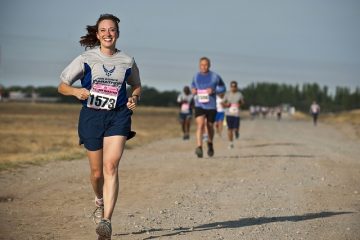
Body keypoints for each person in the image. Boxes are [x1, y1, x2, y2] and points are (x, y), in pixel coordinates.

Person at [58, 14, 141, 240]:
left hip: (118, 116)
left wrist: (135, 97)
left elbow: (136, 85)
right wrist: (76, 92)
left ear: (117, 33)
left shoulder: (127, 60)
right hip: (92, 117)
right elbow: (62, 86)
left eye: (112, 30)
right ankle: (99, 200)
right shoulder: (86, 58)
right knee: (96, 174)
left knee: (111, 166)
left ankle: (106, 221)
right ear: (97, 34)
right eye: (103, 30)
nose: (108, 34)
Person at [191, 57, 225, 158]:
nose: (204, 67)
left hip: (211, 105)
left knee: (210, 126)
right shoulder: (196, 76)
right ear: (199, 65)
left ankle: (210, 144)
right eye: (202, 65)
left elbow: (223, 87)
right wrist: (193, 90)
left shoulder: (215, 76)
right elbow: (193, 86)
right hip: (199, 104)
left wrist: (214, 90)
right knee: (200, 124)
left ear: (209, 65)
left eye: (206, 65)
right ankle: (199, 147)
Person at [223, 81, 244, 149]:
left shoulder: (239, 94)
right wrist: (226, 105)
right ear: (230, 87)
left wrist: (240, 104)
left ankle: (237, 132)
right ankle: (230, 143)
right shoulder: (227, 94)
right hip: (228, 113)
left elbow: (243, 102)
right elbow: (222, 103)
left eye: (234, 86)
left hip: (236, 114)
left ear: (236, 87)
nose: (233, 88)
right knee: (229, 129)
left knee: (236, 128)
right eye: (232, 86)